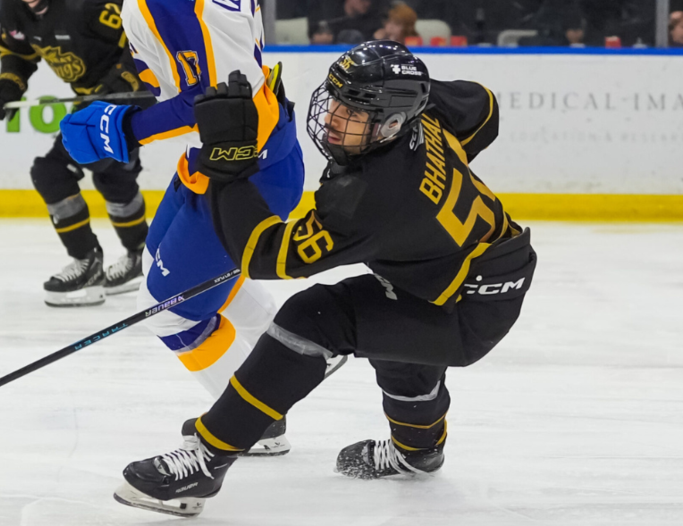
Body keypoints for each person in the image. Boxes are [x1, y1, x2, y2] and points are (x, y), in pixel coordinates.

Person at [113, 42, 538, 517]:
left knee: (313, 318)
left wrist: (229, 168)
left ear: (393, 123)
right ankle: (419, 452)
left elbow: (262, 254)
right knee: (395, 340)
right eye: (336, 99)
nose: (334, 116)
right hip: (471, 273)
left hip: (468, 306)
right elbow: (485, 108)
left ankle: (207, 460)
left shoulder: (367, 198)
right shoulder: (423, 114)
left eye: (354, 111)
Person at [0, 0, 305, 454]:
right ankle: (296, 355)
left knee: (166, 311)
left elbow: (223, 108)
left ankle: (252, 421)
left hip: (245, 168)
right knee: (163, 271)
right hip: (224, 159)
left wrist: (123, 126)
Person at [0, 0, 154, 306]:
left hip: (126, 102)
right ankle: (140, 255)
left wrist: (122, 82)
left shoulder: (86, 3)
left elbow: (143, 38)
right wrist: (6, 86)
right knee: (112, 175)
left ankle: (88, 262)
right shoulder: (13, 8)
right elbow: (18, 54)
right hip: (89, 104)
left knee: (52, 171)